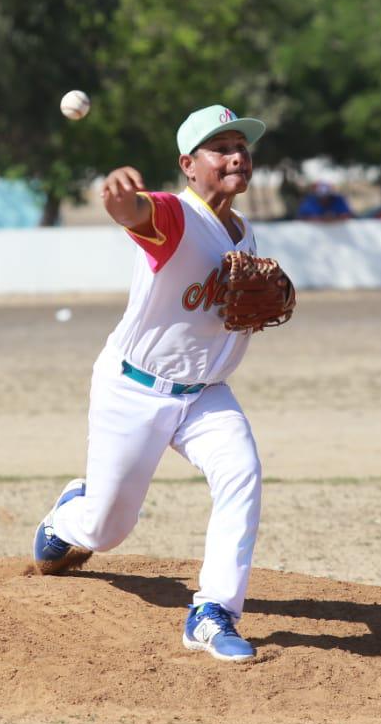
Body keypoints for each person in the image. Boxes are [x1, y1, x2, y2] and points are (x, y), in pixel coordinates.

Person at [32, 104, 276, 663]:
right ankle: (70, 515)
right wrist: (119, 196)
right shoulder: (176, 216)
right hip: (134, 390)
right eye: (221, 148)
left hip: (205, 393)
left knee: (242, 471)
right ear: (189, 165)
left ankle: (213, 612)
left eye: (241, 146)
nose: (237, 155)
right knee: (107, 529)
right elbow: (136, 212)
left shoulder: (244, 230)